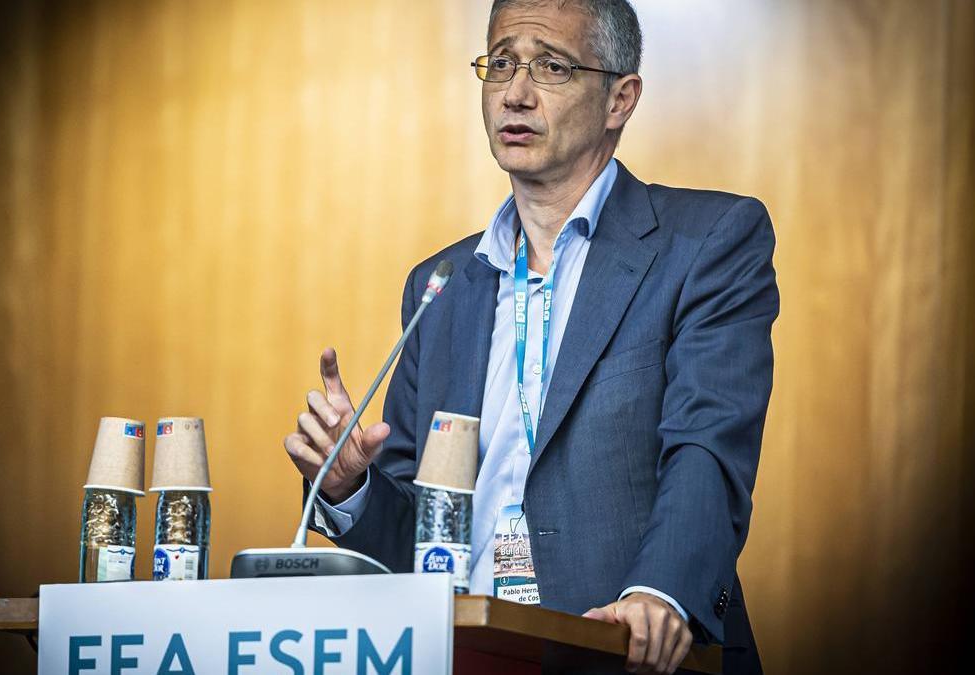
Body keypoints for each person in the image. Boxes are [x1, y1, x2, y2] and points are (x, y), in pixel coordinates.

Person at [283, 1, 777, 673]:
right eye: (502, 63)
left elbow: (707, 448)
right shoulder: (443, 284)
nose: (515, 92)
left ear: (619, 99)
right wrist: (351, 487)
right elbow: (413, 538)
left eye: (551, 65)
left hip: (623, 650)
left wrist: (658, 593)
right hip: (466, 651)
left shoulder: (706, 243)